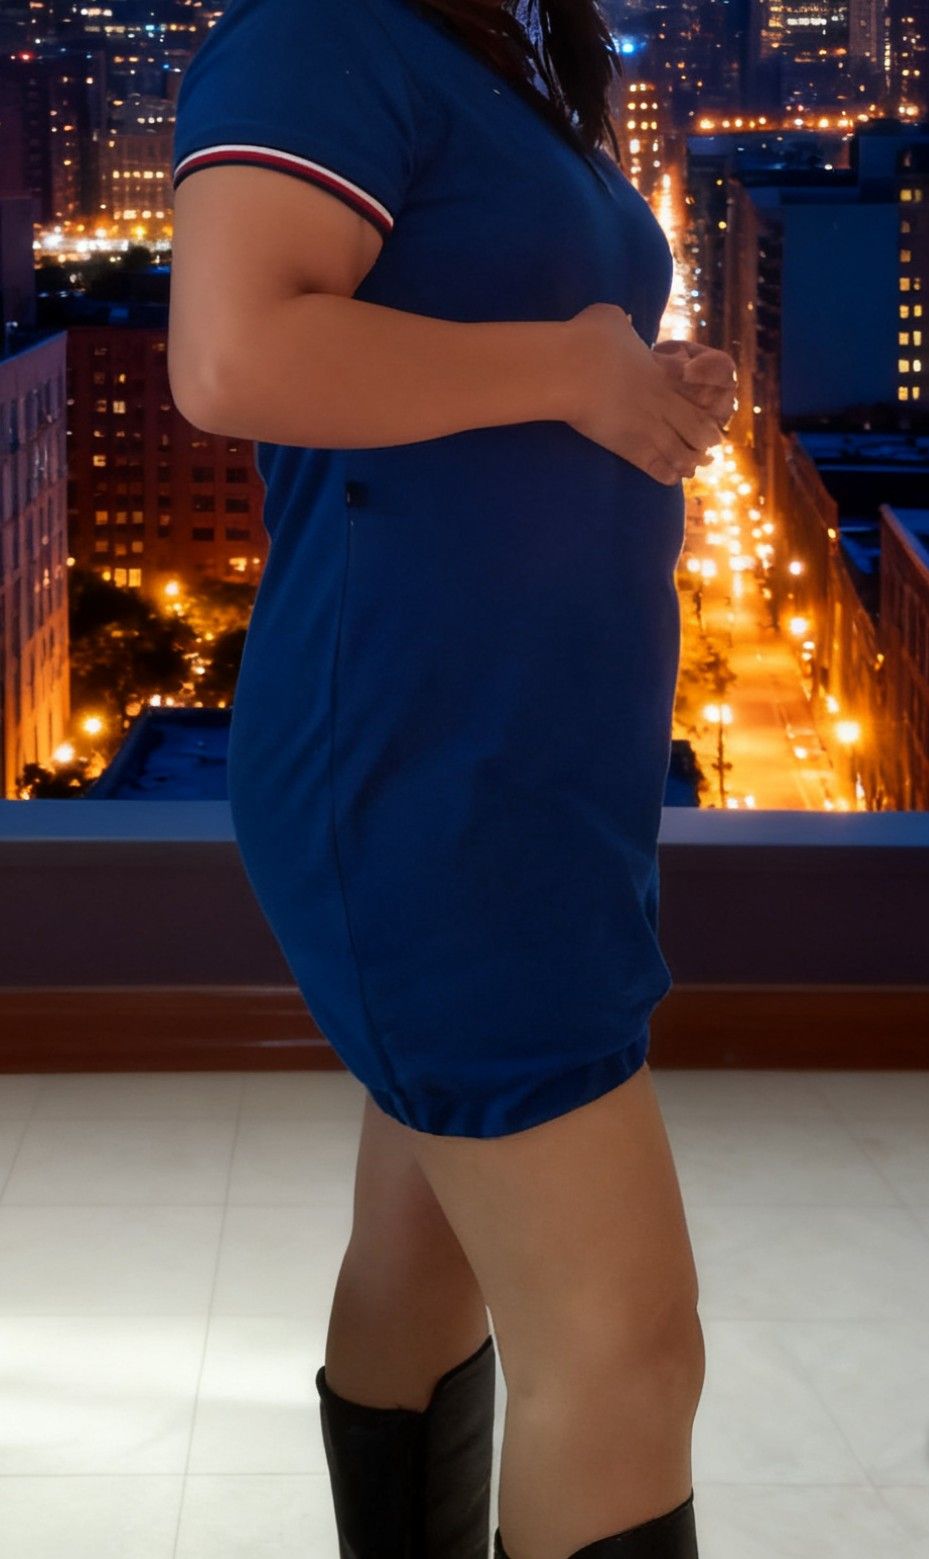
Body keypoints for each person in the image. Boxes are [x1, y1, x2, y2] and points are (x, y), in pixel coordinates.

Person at [167, 0, 737, 1554]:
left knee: (424, 1254)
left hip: (529, 762)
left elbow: (491, 357)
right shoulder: (322, 29)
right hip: (425, 771)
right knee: (626, 1351)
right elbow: (232, 352)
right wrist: (567, 372)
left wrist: (635, 386)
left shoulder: (503, 55)